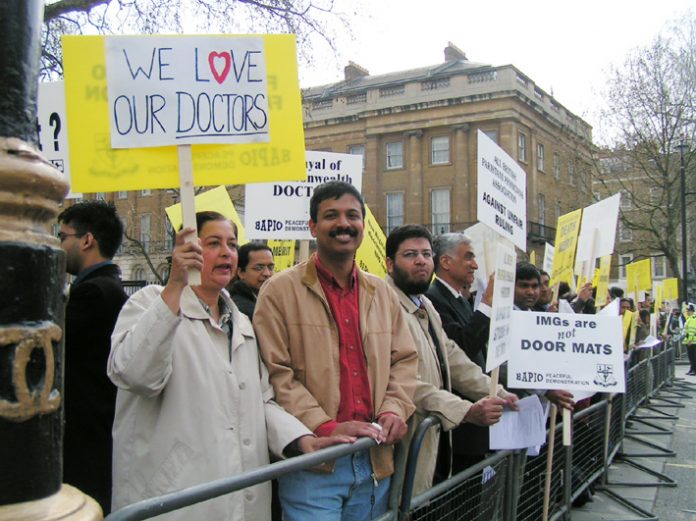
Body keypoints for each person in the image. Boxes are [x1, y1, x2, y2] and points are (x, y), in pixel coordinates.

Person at [108, 211, 348, 520]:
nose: (226, 252)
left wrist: (300, 440)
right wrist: (175, 287)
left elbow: (261, 401)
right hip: (175, 499)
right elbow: (135, 374)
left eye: (232, 245)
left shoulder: (243, 324)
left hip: (241, 495)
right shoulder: (149, 303)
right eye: (213, 243)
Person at [254, 181, 418, 521]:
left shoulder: (382, 294)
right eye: (331, 215)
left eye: (352, 215)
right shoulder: (278, 292)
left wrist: (394, 409)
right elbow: (276, 374)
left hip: (375, 461)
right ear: (313, 226)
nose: (343, 223)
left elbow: (404, 360)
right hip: (314, 466)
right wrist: (325, 426)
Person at [386, 225, 517, 493]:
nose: (421, 260)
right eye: (410, 254)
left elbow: (454, 359)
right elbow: (404, 382)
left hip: (435, 443)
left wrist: (501, 393)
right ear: (390, 264)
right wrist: (465, 410)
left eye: (426, 253)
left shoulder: (426, 305)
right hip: (405, 442)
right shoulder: (383, 306)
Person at [57, 200, 128, 513]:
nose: (58, 246)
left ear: (87, 240)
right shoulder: (107, 287)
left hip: (88, 432)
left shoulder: (95, 293)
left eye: (62, 237)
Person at [424, 232, 497, 470]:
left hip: (476, 423)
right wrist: (487, 304)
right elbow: (461, 349)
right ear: (445, 262)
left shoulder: (460, 300)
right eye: (468, 258)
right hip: (459, 427)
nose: (475, 265)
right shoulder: (433, 300)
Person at [512, 262, 574, 411]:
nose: (531, 292)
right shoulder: (501, 319)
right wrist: (545, 390)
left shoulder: (536, 318)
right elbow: (505, 366)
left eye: (535, 286)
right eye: (524, 286)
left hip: (538, 408)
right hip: (513, 404)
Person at [228, 242, 275, 319]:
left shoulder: (267, 302)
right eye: (259, 267)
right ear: (241, 272)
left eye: (270, 267)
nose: (267, 273)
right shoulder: (240, 310)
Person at [684, 304, 696, 375]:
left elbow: (692, 330)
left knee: (693, 357)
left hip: (692, 341)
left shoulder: (692, 319)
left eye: (688, 310)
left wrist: (689, 340)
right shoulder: (690, 318)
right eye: (687, 310)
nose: (687, 312)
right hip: (691, 341)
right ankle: (692, 369)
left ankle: (694, 370)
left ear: (692, 311)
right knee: (691, 357)